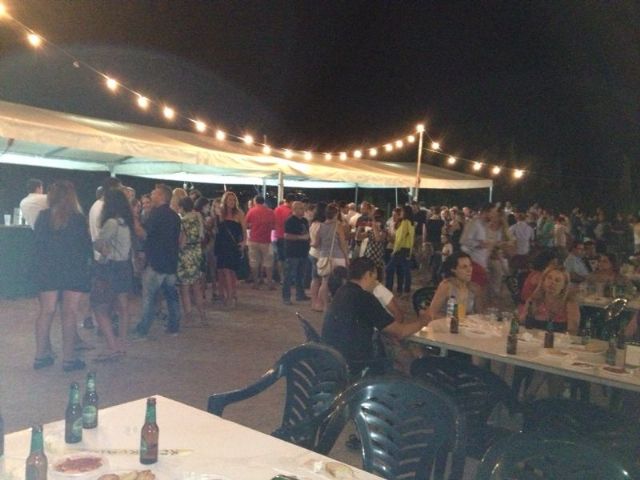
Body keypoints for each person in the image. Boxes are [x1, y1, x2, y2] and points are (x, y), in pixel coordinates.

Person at [321, 257, 431, 376]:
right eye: (375, 277)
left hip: (333, 358)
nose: (376, 282)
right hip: (356, 364)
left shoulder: (342, 291)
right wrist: (424, 320)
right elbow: (400, 332)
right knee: (406, 362)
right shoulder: (364, 298)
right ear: (368, 275)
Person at [32, 180, 92, 372]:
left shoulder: (43, 216)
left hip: (48, 270)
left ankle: (41, 356)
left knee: (46, 311)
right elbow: (85, 247)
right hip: (73, 270)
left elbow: (37, 245)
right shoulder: (78, 219)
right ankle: (69, 358)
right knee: (70, 312)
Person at [91, 188, 133, 361]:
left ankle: (112, 346)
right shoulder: (126, 223)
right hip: (125, 266)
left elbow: (99, 243)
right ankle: (121, 345)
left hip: (111, 268)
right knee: (123, 307)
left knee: (100, 307)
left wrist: (99, 247)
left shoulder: (111, 223)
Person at [134, 184, 182, 336]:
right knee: (171, 296)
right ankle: (174, 326)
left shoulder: (156, 214)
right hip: (171, 261)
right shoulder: (174, 216)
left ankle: (143, 328)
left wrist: (134, 221)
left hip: (156, 262)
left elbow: (145, 234)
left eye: (154, 193)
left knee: (149, 297)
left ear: (161, 196)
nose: (151, 195)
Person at [519, 265, 580, 334]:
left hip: (559, 340)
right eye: (549, 278)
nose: (552, 282)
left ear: (564, 286)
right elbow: (521, 323)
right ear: (543, 281)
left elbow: (572, 332)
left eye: (557, 280)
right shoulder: (534, 299)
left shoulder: (570, 303)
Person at [177, 196, 207, 326]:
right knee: (196, 286)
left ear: (182, 207)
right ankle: (202, 315)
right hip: (196, 253)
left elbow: (182, 242)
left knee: (184, 288)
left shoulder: (183, 221)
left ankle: (188, 317)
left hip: (186, 255)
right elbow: (202, 236)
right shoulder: (198, 217)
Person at [214, 191, 246, 308]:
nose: (231, 202)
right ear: (225, 201)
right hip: (221, 244)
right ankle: (228, 294)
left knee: (229, 270)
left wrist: (244, 242)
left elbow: (244, 230)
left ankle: (230, 296)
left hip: (232, 245)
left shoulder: (239, 213)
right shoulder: (221, 213)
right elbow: (217, 228)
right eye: (229, 200)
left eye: (233, 200)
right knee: (222, 271)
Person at [315, 203, 349, 311]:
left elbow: (316, 243)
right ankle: (339, 305)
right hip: (338, 256)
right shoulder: (338, 226)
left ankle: (325, 306)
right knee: (341, 281)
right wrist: (347, 258)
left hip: (324, 256)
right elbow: (342, 244)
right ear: (336, 214)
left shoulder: (320, 226)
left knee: (325, 282)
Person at [428, 251, 481, 319]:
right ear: (453, 270)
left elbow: (479, 314)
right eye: (464, 267)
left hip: (467, 324)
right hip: (446, 323)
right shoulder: (446, 286)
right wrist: (454, 320)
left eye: (470, 265)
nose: (469, 270)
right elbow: (432, 313)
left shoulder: (474, 288)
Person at [245, 195, 276, 290]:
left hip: (253, 239)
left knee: (254, 262)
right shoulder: (270, 212)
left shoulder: (252, 211)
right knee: (268, 262)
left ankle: (255, 283)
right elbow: (274, 225)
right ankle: (269, 283)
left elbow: (246, 223)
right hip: (266, 240)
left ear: (255, 201)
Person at [282, 201, 310, 305]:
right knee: (289, 276)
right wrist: (301, 237)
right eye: (301, 208)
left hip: (303, 251)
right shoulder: (290, 221)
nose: (303, 210)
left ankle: (300, 294)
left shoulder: (304, 221)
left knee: (300, 275)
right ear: (294, 209)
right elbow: (287, 236)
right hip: (292, 252)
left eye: (303, 208)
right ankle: (286, 297)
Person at [384, 205, 415, 296]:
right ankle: (406, 290)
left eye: (401, 211)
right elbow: (411, 238)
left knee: (389, 268)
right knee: (405, 270)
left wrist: (395, 250)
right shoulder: (410, 223)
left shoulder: (405, 222)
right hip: (406, 249)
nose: (401, 213)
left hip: (400, 249)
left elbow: (400, 238)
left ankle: (392, 289)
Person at [309, 202, 327, 311]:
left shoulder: (313, 223)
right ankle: (319, 303)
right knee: (322, 280)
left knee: (315, 279)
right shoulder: (322, 225)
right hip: (320, 254)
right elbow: (317, 243)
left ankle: (314, 302)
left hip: (312, 253)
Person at [274, 193, 295, 282]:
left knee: (280, 258)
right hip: (288, 237)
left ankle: (282, 278)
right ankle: (288, 278)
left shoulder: (277, 209)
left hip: (278, 236)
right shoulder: (290, 211)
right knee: (289, 259)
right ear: (291, 202)